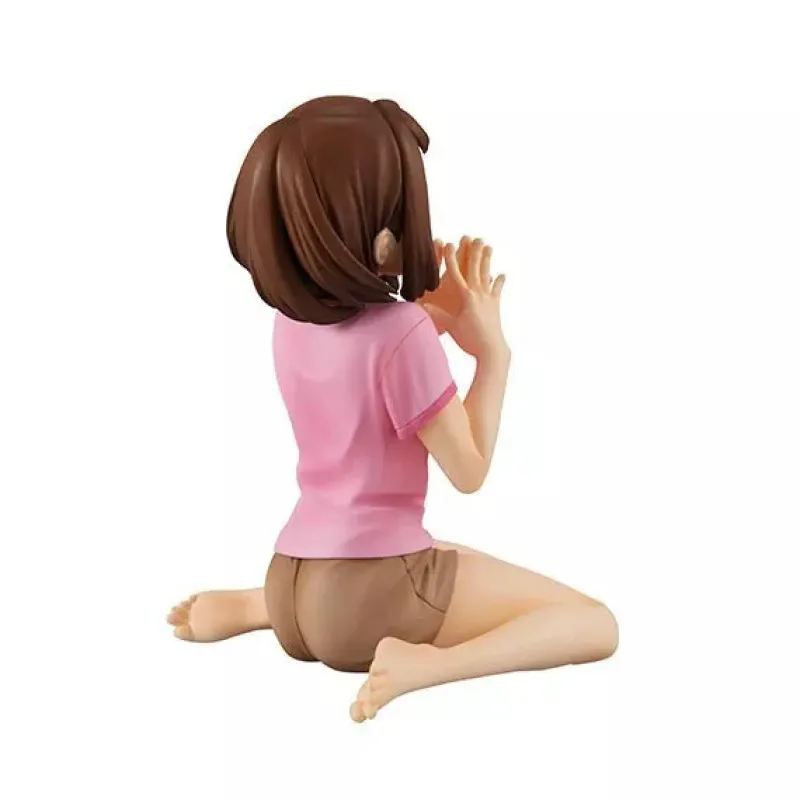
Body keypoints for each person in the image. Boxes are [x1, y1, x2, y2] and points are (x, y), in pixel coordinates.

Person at [167, 96, 618, 722]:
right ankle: (427, 665)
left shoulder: (290, 323)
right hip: (368, 602)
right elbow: (469, 470)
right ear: (378, 234)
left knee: (449, 555)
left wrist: (432, 319)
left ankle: (253, 607)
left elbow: (364, 363)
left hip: (292, 576)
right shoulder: (402, 333)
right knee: (593, 623)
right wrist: (492, 355)